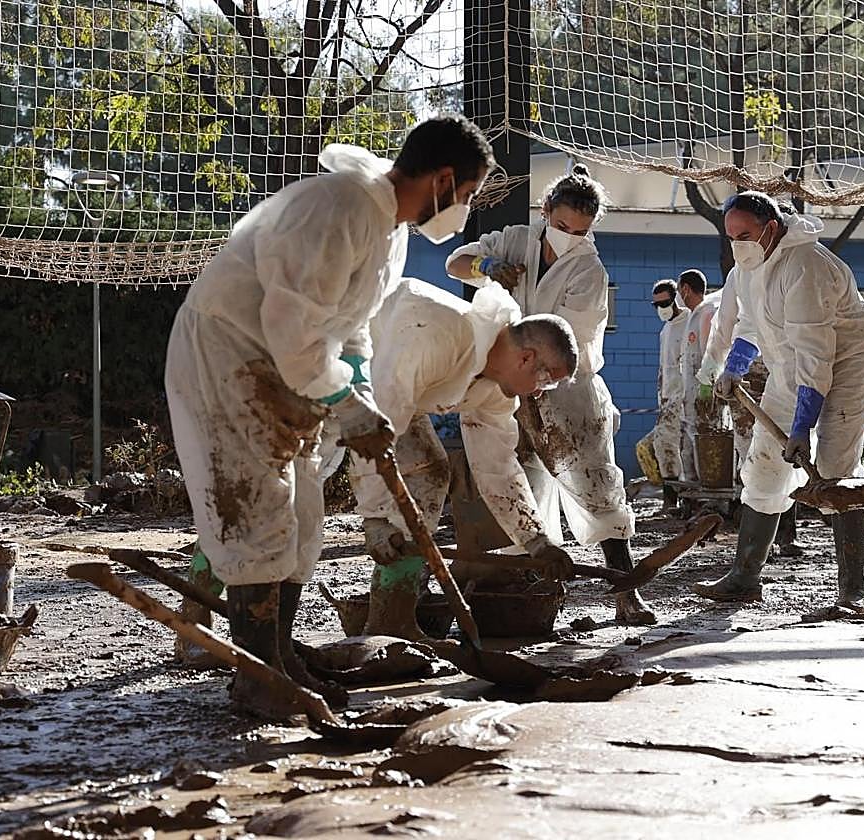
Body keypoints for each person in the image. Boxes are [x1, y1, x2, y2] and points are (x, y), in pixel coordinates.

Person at [165, 115, 495, 719]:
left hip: (288, 367)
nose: (465, 208)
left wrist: (359, 383)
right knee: (257, 516)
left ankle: (280, 658)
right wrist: (344, 402)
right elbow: (293, 330)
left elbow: (351, 324)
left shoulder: (389, 229)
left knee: (302, 517)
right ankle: (259, 678)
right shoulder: (335, 208)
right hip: (233, 358)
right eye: (469, 195)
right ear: (444, 179)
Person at [445, 164, 655, 625]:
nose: (570, 237)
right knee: (516, 483)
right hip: (504, 377)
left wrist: (534, 384)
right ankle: (533, 588)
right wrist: (487, 266)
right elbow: (455, 263)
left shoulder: (589, 271)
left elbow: (563, 346)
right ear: (545, 213)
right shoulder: (515, 239)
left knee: (596, 484)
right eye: (561, 227)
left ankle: (625, 590)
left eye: (580, 231)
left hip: (565, 387)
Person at [348, 278, 578, 638]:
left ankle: (392, 623)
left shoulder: (495, 387)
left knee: (430, 473)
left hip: (384, 398)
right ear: (527, 358)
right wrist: (375, 516)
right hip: (325, 373)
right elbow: (378, 421)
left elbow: (497, 466)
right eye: (545, 381)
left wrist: (536, 540)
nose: (539, 391)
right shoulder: (436, 335)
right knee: (290, 504)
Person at [693, 192, 864, 611]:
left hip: (848, 367)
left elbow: (816, 355)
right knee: (762, 468)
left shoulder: (806, 266)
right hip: (788, 366)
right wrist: (733, 367)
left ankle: (854, 588)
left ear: (772, 228)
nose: (736, 243)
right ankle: (744, 576)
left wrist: (802, 427)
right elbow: (750, 321)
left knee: (835, 471)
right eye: (731, 236)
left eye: (744, 234)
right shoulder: (749, 266)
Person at [677, 270, 720, 485]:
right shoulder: (692, 316)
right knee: (689, 439)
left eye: (678, 289)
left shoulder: (707, 313)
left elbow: (710, 355)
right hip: (690, 394)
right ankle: (694, 487)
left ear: (685, 289)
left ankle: (710, 488)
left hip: (702, 394)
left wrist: (706, 388)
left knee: (704, 439)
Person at [651, 278, 690, 512]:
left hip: (684, 396)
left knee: (679, 447)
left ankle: (680, 497)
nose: (661, 308)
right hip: (668, 397)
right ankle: (672, 497)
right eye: (655, 305)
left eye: (664, 303)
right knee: (665, 446)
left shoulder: (688, 322)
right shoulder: (666, 330)